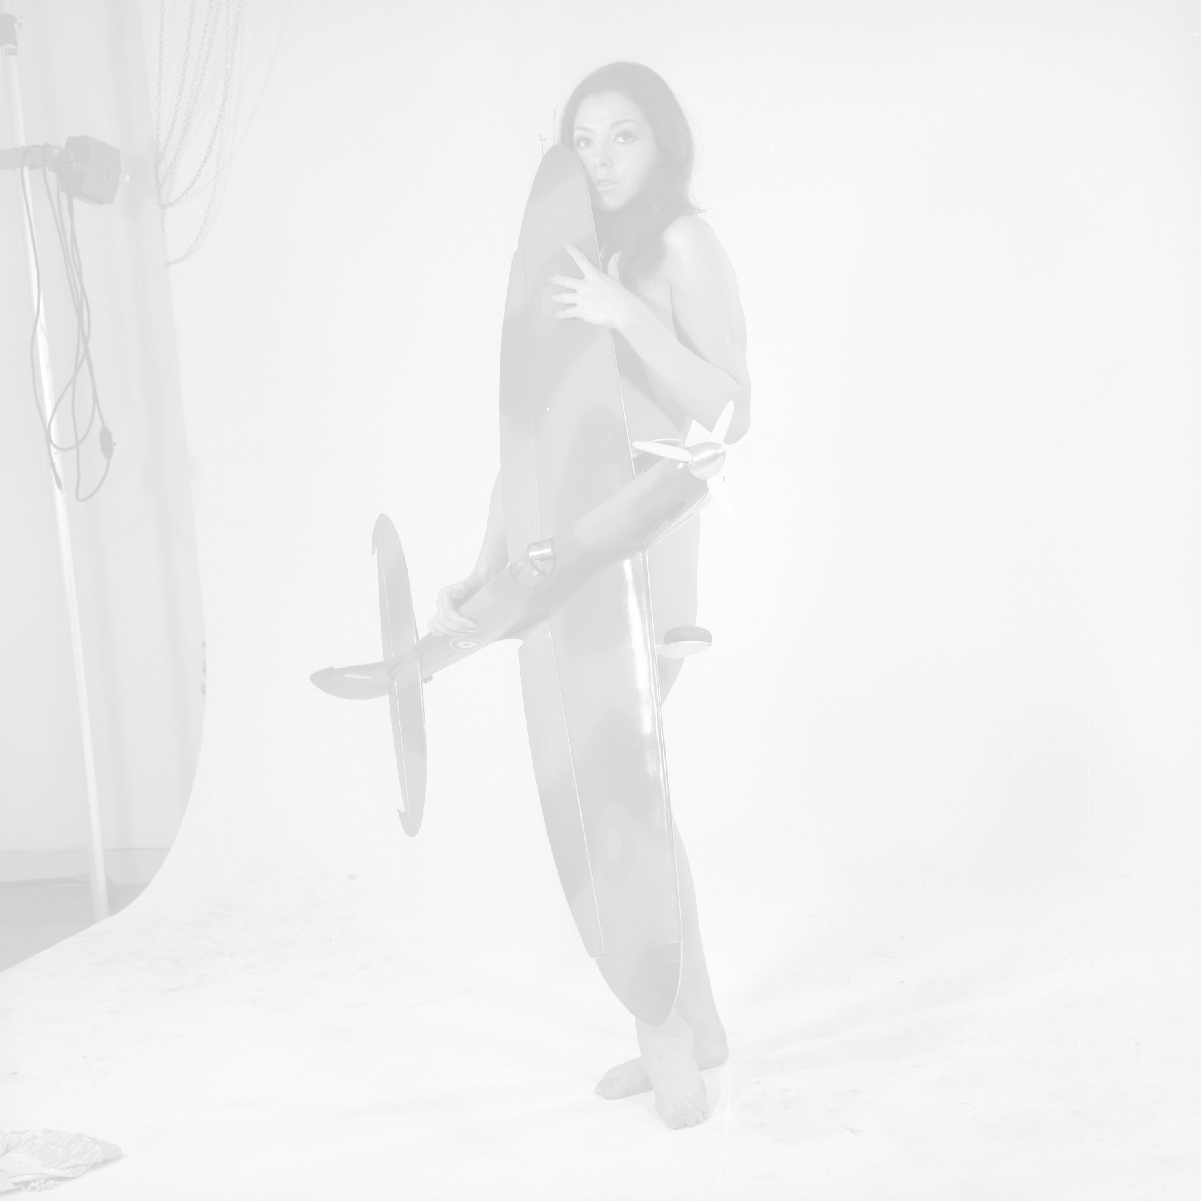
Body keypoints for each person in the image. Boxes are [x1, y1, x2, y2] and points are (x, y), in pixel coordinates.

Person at [428, 62, 751, 1130]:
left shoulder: (681, 246)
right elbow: (535, 435)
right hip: (565, 549)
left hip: (647, 541)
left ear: (662, 144)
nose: (602, 159)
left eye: (623, 136)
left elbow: (730, 409)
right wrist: (485, 566)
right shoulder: (573, 260)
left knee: (624, 797)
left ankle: (666, 1038)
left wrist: (626, 315)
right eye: (583, 139)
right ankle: (693, 1018)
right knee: (634, 798)